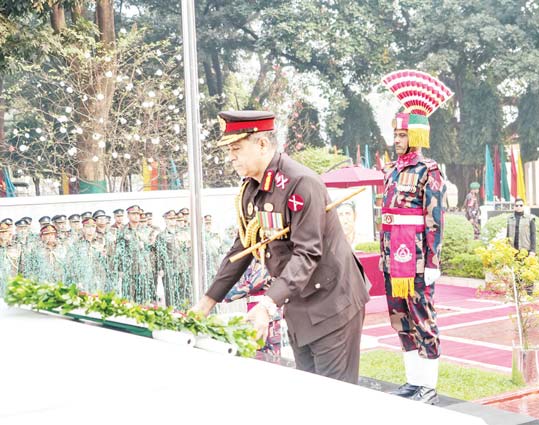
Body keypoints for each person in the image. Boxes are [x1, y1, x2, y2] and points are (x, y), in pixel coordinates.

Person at [191, 110, 369, 385]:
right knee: (309, 391)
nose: (231, 157)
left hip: (332, 303)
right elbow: (243, 247)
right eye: (229, 150)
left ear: (262, 144)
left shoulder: (301, 183)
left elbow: (307, 253)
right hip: (299, 305)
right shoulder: (252, 188)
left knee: (335, 397)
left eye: (236, 149)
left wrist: (266, 305)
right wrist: (206, 303)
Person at [378, 69, 451, 404]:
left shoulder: (428, 170)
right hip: (392, 257)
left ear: (416, 136)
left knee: (423, 318)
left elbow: (435, 218)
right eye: (395, 134)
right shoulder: (391, 171)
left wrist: (434, 260)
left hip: (418, 259)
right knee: (400, 319)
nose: (396, 140)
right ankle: (413, 380)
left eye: (402, 135)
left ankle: (429, 385)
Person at [0, 218, 21, 296]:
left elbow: (21, 264)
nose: (3, 234)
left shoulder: (16, 246)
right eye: (1, 232)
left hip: (13, 281)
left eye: (5, 232)